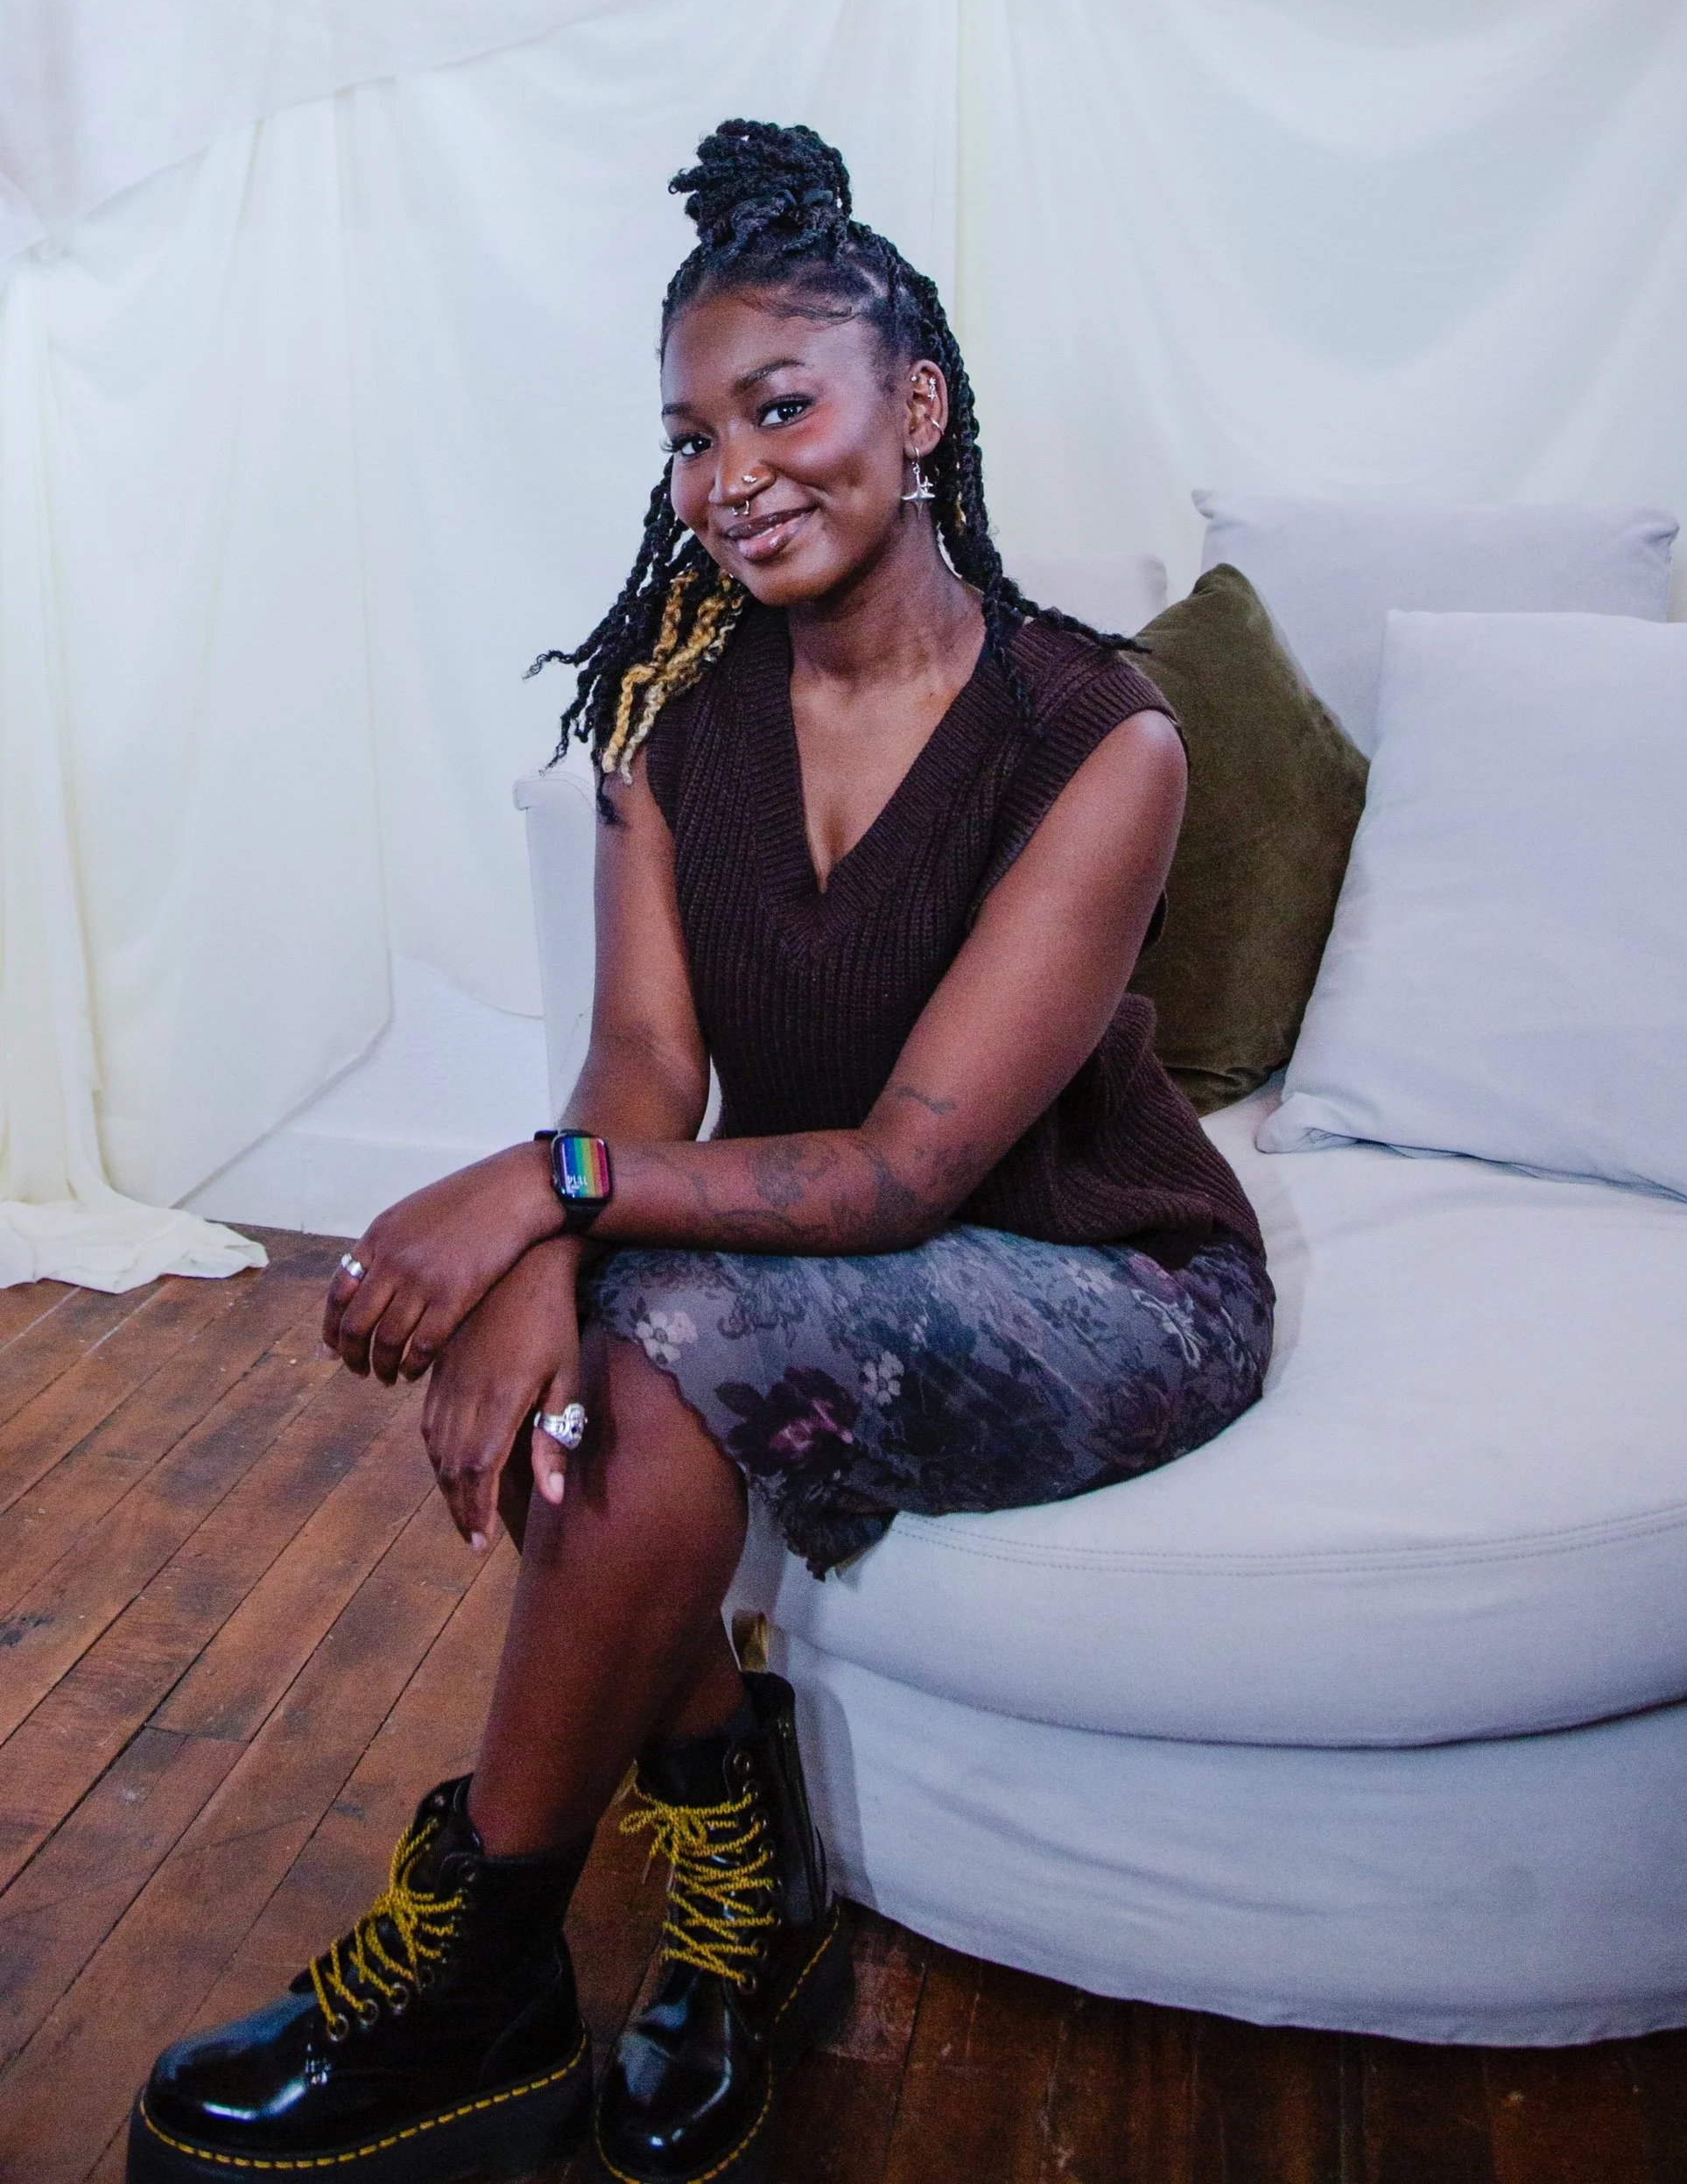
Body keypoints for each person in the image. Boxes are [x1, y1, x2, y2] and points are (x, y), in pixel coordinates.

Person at [126, 120, 1274, 2184]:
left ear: (912, 410)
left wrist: (542, 1203)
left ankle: (491, 1928)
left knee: (653, 1323)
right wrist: (557, 1244)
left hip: (1104, 1286)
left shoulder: (1097, 738)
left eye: (780, 407)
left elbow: (913, 1171)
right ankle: (734, 1883)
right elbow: (644, 1061)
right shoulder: (669, 714)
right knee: (629, 1319)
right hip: (833, 1268)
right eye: (687, 432)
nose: (728, 473)